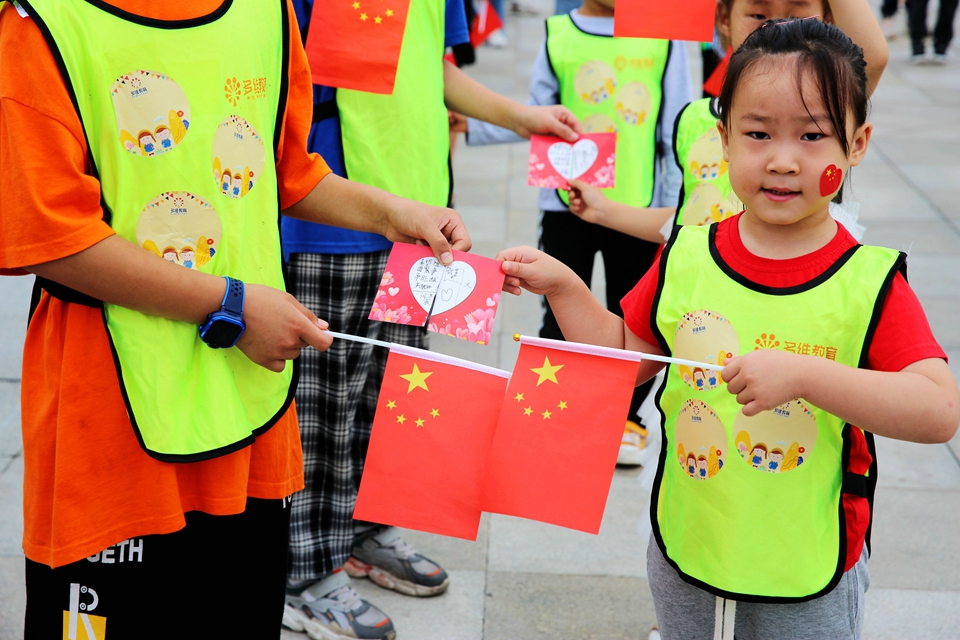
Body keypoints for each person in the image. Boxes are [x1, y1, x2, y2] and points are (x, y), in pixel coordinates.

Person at [0, 0, 471, 637]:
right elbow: (48, 239)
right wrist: (231, 305)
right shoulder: (43, 25)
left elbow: (286, 169)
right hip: (110, 421)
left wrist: (392, 213)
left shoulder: (265, 11)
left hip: (250, 412)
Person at [496, 18, 960, 639]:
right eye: (758, 133)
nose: (783, 160)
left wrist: (804, 375)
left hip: (808, 568)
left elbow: (937, 411)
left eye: (813, 135)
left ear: (857, 143)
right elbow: (625, 358)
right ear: (723, 138)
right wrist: (567, 289)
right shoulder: (687, 254)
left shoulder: (868, 280)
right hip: (690, 549)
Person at [282, 1, 581, 637]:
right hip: (334, 220)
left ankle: (361, 533)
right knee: (324, 410)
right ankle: (302, 572)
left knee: (389, 400)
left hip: (418, 225)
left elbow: (431, 68)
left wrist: (521, 117)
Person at [461, 0, 691, 466]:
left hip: (636, 209)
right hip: (566, 203)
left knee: (634, 318)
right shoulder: (558, 32)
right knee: (556, 310)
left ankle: (628, 421)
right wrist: (473, 126)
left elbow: (677, 129)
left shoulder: (665, 37)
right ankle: (546, 410)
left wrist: (674, 212)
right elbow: (535, 115)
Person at [566, 0, 888, 244]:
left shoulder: (835, 97)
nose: (776, 29)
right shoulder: (693, 121)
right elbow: (692, 220)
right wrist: (604, 211)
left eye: (810, 136)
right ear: (724, 19)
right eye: (759, 16)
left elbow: (872, 56)